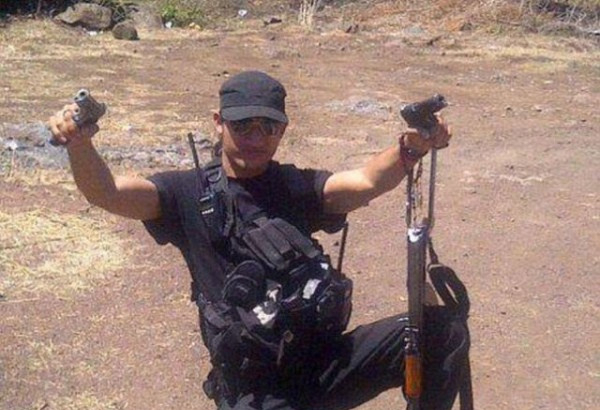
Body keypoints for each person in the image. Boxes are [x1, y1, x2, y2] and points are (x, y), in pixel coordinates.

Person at [48, 71, 465, 410]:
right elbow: (108, 193)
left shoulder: (293, 185)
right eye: (242, 124)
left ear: (282, 129)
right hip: (257, 390)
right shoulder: (185, 194)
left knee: (441, 331)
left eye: (269, 126)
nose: (256, 136)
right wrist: (79, 144)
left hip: (323, 361)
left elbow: (367, 181)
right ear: (218, 122)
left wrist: (411, 147)